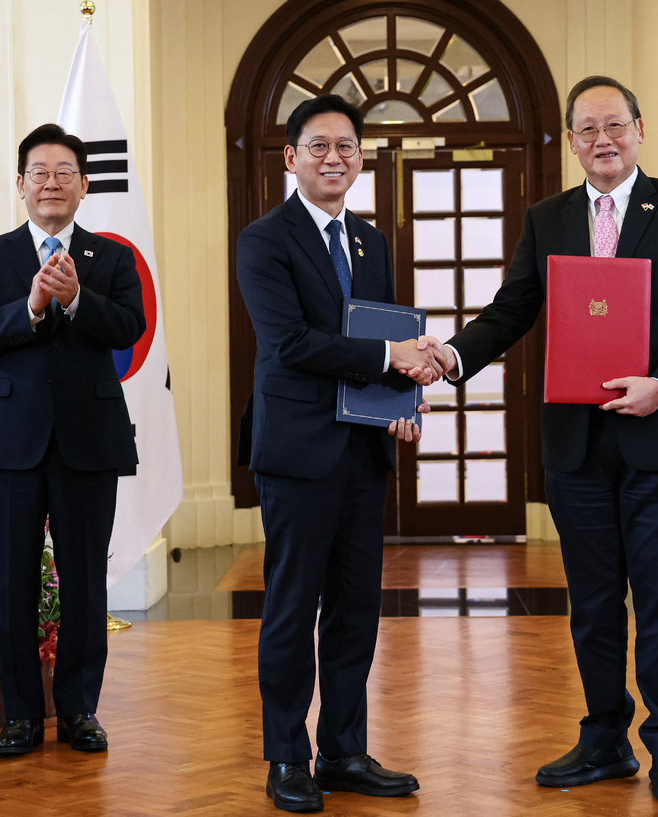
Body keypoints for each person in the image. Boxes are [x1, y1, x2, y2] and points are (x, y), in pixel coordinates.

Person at [413, 76, 658, 803]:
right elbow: (511, 309)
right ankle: (604, 740)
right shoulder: (548, 217)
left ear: (639, 129)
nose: (602, 141)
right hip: (578, 447)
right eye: (586, 130)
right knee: (592, 603)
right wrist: (453, 356)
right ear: (570, 140)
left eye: (614, 125)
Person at [236, 94, 436, 814]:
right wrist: (394, 356)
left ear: (360, 158)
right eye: (318, 146)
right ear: (291, 158)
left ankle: (344, 749)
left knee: (355, 608)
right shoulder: (264, 240)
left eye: (346, 147)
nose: (334, 158)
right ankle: (288, 754)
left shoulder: (371, 242)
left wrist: (402, 406)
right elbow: (292, 345)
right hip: (296, 450)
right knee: (293, 606)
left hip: (362, 451)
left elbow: (375, 342)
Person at [0, 124, 146, 757]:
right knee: (12, 587)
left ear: (85, 184)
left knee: (86, 585)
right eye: (39, 171)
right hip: (12, 442)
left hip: (89, 441)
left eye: (65, 171)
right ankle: (20, 716)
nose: (52, 182)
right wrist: (33, 305)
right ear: (20, 184)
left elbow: (129, 327)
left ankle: (79, 712)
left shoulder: (113, 257)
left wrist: (75, 300)